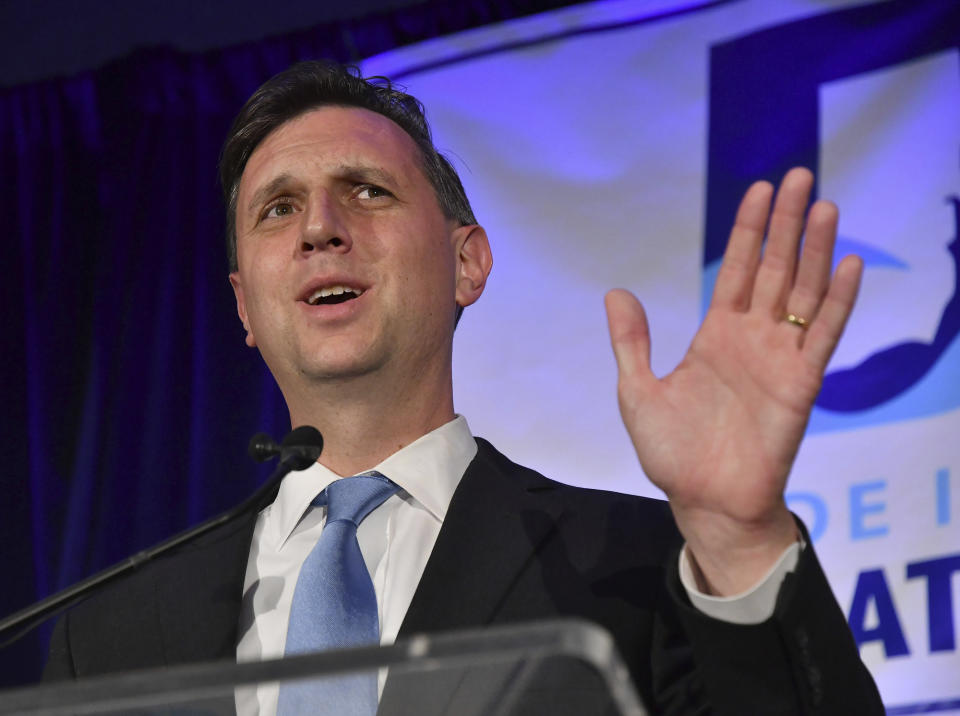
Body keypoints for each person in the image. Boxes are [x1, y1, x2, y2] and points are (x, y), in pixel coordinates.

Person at [44, 61, 884, 714]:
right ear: (244, 307)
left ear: (467, 262)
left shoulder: (637, 566)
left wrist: (739, 540)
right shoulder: (110, 636)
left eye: (366, 191)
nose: (320, 229)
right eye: (277, 209)